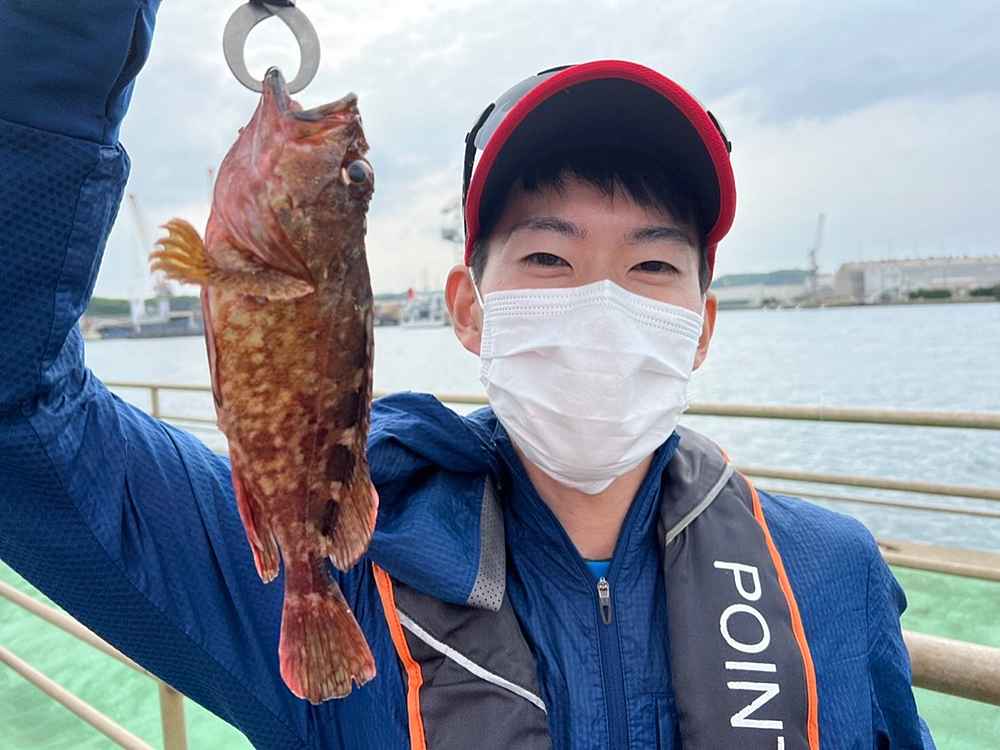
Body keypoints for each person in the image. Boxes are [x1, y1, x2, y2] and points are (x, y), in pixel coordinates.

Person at [0, 2, 935, 748]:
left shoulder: (833, 577)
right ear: (469, 307)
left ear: (702, 326)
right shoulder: (347, 568)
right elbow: (19, 408)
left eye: (652, 264)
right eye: (548, 258)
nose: (601, 303)